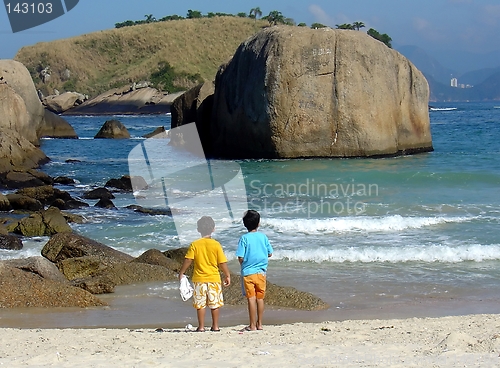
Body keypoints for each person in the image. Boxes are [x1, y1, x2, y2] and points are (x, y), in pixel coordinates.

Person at [178, 216, 231, 332]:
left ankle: (201, 327)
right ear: (213, 229)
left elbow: (188, 260)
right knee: (215, 304)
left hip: (199, 279)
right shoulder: (216, 245)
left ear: (198, 230)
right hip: (214, 278)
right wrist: (227, 275)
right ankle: (215, 326)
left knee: (200, 304)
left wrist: (182, 272)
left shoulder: (195, 244)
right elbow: (222, 262)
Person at [236, 210, 273, 331]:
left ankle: (252, 325)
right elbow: (270, 253)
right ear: (258, 223)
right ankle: (260, 323)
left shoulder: (244, 238)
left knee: (251, 299)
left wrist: (244, 263)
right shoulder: (263, 237)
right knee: (260, 298)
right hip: (261, 273)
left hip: (248, 273)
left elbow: (240, 257)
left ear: (245, 224)